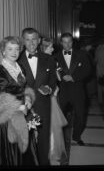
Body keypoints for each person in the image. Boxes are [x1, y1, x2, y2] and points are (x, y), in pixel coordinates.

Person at [0, 36, 38, 165]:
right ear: (3, 51)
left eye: (17, 49)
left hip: (24, 114)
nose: (14, 52)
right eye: (10, 49)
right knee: (13, 154)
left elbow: (23, 88)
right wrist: (19, 107)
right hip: (8, 120)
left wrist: (27, 99)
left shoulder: (20, 68)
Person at [18, 28, 57, 165]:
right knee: (24, 138)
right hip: (23, 105)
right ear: (23, 41)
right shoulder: (16, 59)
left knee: (43, 137)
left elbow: (53, 78)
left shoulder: (49, 59)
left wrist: (50, 87)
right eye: (27, 39)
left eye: (34, 39)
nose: (31, 43)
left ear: (39, 40)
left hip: (43, 103)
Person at [55, 33, 91, 146]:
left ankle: (76, 136)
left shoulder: (81, 54)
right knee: (59, 116)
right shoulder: (55, 56)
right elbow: (52, 71)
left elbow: (88, 70)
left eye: (69, 41)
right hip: (62, 91)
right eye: (64, 42)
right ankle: (58, 139)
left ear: (73, 42)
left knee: (80, 116)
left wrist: (73, 77)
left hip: (78, 89)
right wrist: (60, 75)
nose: (67, 44)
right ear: (61, 42)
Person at [40, 37, 68, 165]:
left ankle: (52, 152)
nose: (53, 49)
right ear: (44, 48)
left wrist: (58, 71)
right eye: (50, 47)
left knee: (53, 127)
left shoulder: (52, 60)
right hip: (45, 98)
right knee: (49, 126)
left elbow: (58, 78)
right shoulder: (41, 61)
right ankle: (47, 152)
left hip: (52, 96)